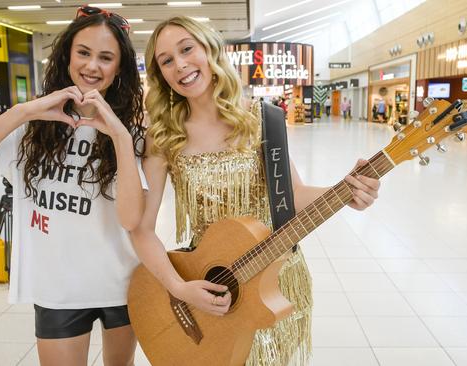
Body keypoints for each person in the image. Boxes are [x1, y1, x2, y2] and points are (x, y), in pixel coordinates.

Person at [126, 16, 381, 366]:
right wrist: (179, 287)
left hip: (276, 280)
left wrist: (345, 192)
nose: (180, 64)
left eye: (187, 49)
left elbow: (290, 196)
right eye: (166, 60)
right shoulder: (164, 135)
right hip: (210, 285)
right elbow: (141, 229)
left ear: (209, 50)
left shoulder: (263, 119)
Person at [0, 6, 146, 366]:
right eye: (83, 52)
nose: (92, 66)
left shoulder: (132, 133)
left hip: (122, 284)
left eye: (105, 57)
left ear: (120, 67)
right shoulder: (30, 127)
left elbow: (130, 218)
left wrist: (118, 134)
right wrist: (24, 111)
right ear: (67, 54)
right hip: (57, 288)